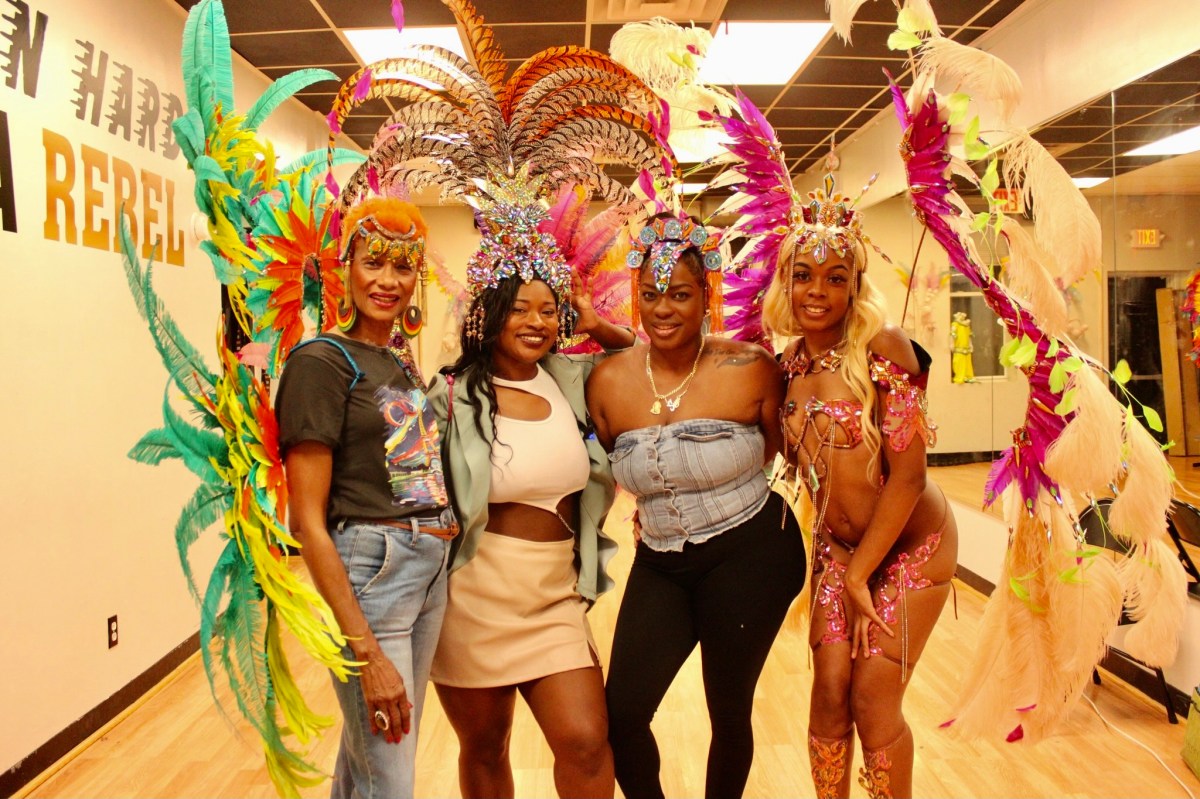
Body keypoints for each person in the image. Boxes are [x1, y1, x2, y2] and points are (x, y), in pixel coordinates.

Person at [426, 181, 635, 799]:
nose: (537, 322)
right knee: (485, 748)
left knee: (586, 742)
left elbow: (644, 365)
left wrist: (599, 324)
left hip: (554, 596)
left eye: (549, 310)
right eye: (520, 308)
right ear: (489, 315)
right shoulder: (451, 397)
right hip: (474, 597)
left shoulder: (572, 379)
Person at [587, 214, 807, 799]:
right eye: (652, 294)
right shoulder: (607, 381)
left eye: (680, 294)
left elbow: (796, 448)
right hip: (661, 560)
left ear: (705, 297)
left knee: (726, 708)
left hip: (752, 554)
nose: (664, 308)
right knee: (624, 714)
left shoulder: (752, 368)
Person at [763, 178, 957, 799]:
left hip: (910, 547)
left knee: (873, 700)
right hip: (839, 551)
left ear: (855, 285)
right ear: (785, 282)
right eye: (803, 275)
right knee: (827, 693)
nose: (816, 291)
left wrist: (857, 575)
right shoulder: (787, 366)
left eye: (835, 276)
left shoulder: (883, 351)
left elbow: (909, 476)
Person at [275, 198, 455, 799]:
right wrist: (365, 651)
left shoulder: (395, 362)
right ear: (344, 266)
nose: (387, 281)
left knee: (369, 769)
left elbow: (409, 477)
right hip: (373, 578)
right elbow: (307, 521)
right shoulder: (322, 362)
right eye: (372, 262)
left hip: (425, 573)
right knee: (391, 778)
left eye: (402, 268)